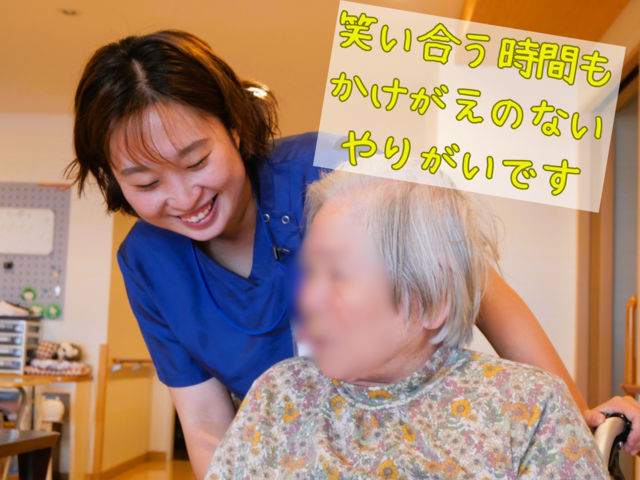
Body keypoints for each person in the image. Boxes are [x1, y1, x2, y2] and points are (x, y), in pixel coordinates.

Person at [67, 29, 640, 479]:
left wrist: (577, 423)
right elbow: (205, 422)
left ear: (234, 130)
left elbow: (482, 289)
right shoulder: (154, 267)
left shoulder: (331, 167)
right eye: (145, 183)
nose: (183, 197)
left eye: (196, 162)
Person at [205, 170, 609, 480]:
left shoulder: (529, 408)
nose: (307, 299)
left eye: (338, 275)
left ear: (431, 298)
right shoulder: (280, 394)